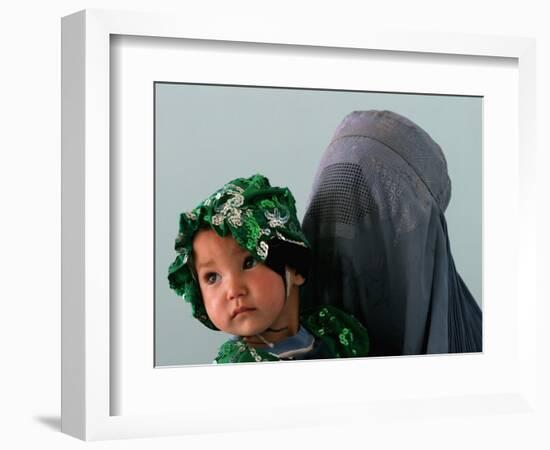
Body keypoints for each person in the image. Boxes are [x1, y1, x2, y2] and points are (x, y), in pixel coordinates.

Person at [301, 110, 482, 356]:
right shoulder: (275, 347)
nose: (344, 237)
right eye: (331, 209)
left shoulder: (493, 355)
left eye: (371, 210)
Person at [168, 174, 370, 363]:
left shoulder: (332, 331)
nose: (233, 290)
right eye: (212, 277)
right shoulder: (237, 369)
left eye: (249, 263)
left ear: (295, 267)